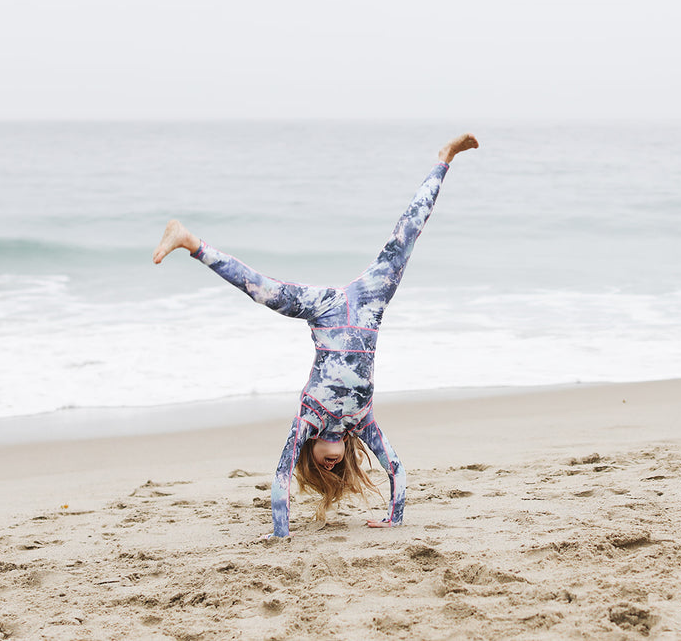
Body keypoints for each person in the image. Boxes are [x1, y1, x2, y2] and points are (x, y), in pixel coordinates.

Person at [152, 134, 479, 537]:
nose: (332, 464)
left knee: (265, 289)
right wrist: (394, 517)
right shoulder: (363, 421)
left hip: (326, 309)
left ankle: (442, 160)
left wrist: (281, 532)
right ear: (344, 456)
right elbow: (396, 469)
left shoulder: (308, 418)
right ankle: (190, 241)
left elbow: (281, 477)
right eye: (337, 466)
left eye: (324, 465)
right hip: (366, 305)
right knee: (403, 238)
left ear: (311, 450)